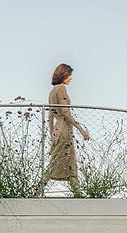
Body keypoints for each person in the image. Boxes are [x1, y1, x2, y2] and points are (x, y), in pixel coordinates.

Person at [43, 63, 90, 196]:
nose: (70, 78)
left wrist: (52, 133)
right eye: (69, 75)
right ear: (63, 75)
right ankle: (38, 189)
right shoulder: (61, 89)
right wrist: (81, 129)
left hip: (57, 128)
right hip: (64, 127)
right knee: (60, 160)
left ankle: (78, 192)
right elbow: (65, 111)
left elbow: (51, 115)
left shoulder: (52, 92)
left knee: (62, 159)